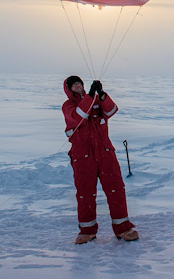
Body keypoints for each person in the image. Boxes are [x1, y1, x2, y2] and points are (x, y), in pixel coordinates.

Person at [62, 75, 139, 244]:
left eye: (79, 83)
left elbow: (111, 110)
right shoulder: (68, 106)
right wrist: (90, 96)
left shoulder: (95, 101)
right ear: (69, 90)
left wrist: (103, 95)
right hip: (83, 156)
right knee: (85, 193)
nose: (78, 86)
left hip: (105, 153)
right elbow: (80, 116)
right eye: (74, 85)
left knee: (116, 189)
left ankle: (123, 228)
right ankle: (87, 231)